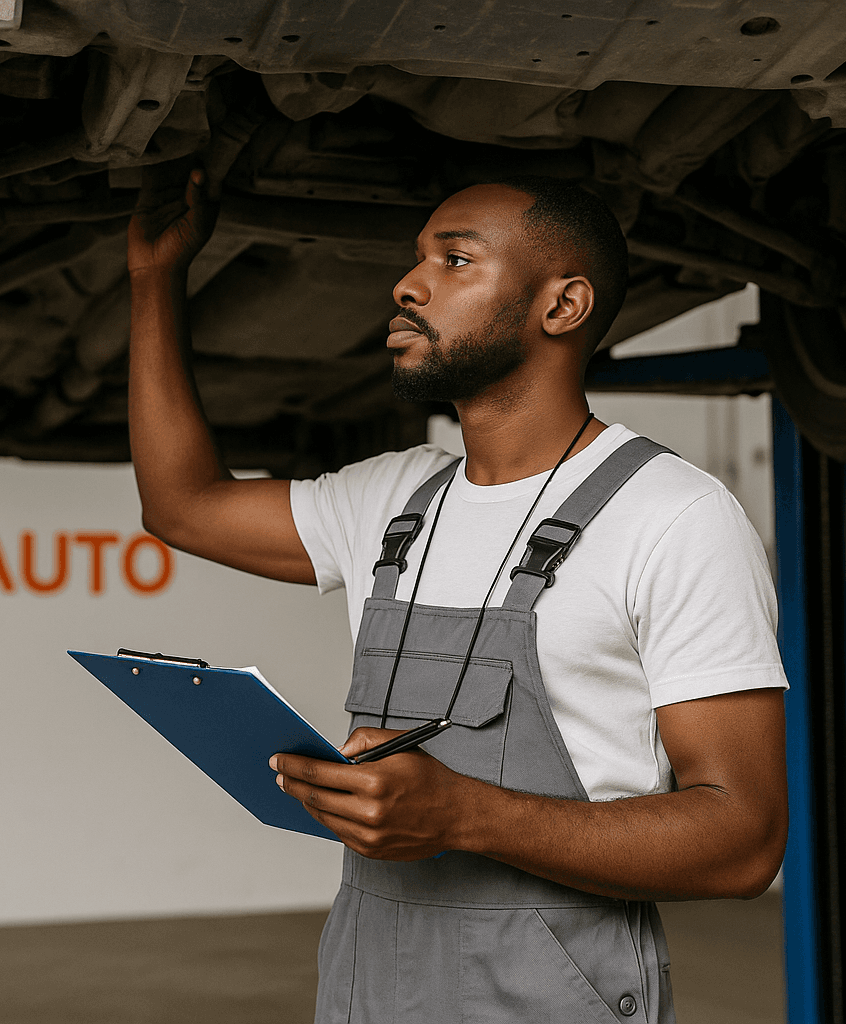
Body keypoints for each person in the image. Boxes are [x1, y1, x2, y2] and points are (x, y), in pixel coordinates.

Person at [126, 169, 789, 1024]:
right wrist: (153, 281)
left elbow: (743, 841)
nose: (407, 284)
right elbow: (181, 506)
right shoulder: (393, 500)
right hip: (367, 986)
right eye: (417, 258)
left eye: (456, 259)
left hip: (551, 998)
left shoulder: (674, 516)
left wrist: (462, 814)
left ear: (563, 306)